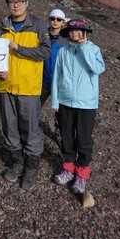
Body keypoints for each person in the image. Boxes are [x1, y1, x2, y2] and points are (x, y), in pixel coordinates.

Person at [0, 0, 51, 191]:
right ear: (8, 4)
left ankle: (31, 167)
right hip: (6, 86)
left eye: (19, 1)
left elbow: (44, 52)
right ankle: (17, 162)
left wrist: (19, 48)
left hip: (29, 87)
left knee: (30, 128)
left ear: (27, 3)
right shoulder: (1, 27)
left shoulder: (37, 26)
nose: (16, 4)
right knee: (9, 126)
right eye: (12, 1)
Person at [51, 19, 105, 194]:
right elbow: (56, 76)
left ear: (84, 32)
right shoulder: (62, 52)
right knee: (66, 137)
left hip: (86, 103)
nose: (74, 32)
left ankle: (81, 174)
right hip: (65, 102)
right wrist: (55, 101)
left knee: (84, 139)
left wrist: (83, 48)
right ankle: (68, 168)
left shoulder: (93, 49)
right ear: (68, 33)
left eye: (78, 30)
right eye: (72, 30)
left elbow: (97, 69)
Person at [40, 9, 67, 147]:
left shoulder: (67, 39)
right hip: (42, 80)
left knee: (61, 112)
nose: (55, 21)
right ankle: (30, 130)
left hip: (60, 83)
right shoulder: (41, 36)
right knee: (34, 107)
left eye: (58, 19)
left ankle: (60, 132)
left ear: (63, 22)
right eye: (52, 18)